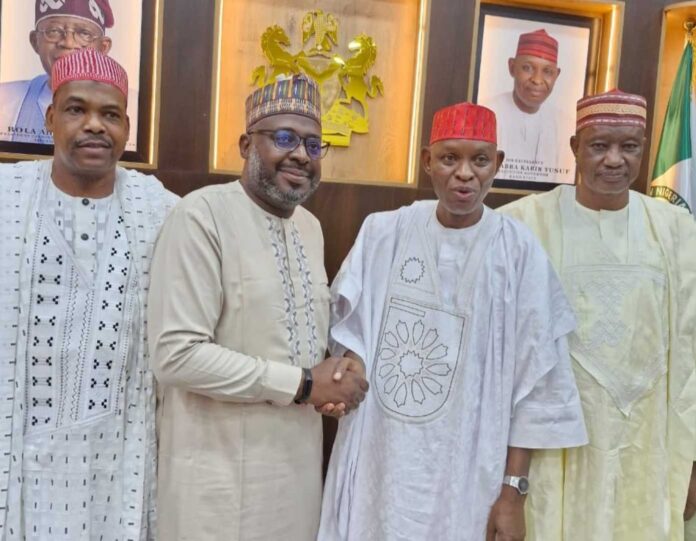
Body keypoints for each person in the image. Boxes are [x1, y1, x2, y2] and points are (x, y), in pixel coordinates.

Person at [318, 102, 587, 540]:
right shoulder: (383, 233)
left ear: (497, 164)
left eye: (479, 160)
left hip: (469, 471)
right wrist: (352, 365)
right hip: (380, 463)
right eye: (450, 158)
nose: (465, 173)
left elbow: (537, 383)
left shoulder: (518, 252)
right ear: (428, 161)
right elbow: (350, 337)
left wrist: (513, 493)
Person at [147, 74, 369, 541]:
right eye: (283, 138)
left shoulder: (310, 228)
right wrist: (304, 383)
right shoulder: (200, 216)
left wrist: (336, 377)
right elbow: (176, 355)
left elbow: (301, 340)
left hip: (295, 478)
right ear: (247, 144)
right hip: (215, 486)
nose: (300, 155)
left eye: (313, 143)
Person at [500, 89, 696, 541]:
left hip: (648, 447)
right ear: (574, 147)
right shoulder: (523, 225)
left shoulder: (675, 230)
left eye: (629, 147)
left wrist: (691, 461)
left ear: (643, 149)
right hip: (555, 448)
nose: (614, 160)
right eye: (599, 145)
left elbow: (690, 350)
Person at [0, 47, 177, 539]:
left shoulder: (160, 208)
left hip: (117, 460)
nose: (95, 125)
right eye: (77, 109)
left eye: (111, 114)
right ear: (51, 117)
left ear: (127, 128)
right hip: (15, 450)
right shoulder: (4, 196)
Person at [0, 0, 136, 147]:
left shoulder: (135, 108)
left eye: (84, 33)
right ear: (35, 41)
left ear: (103, 47)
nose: (68, 43)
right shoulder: (5, 99)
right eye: (54, 31)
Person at [482, 29, 574, 184]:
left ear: (556, 75)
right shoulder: (486, 113)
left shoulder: (566, 125)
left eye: (547, 71)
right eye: (527, 68)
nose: (537, 80)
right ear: (512, 67)